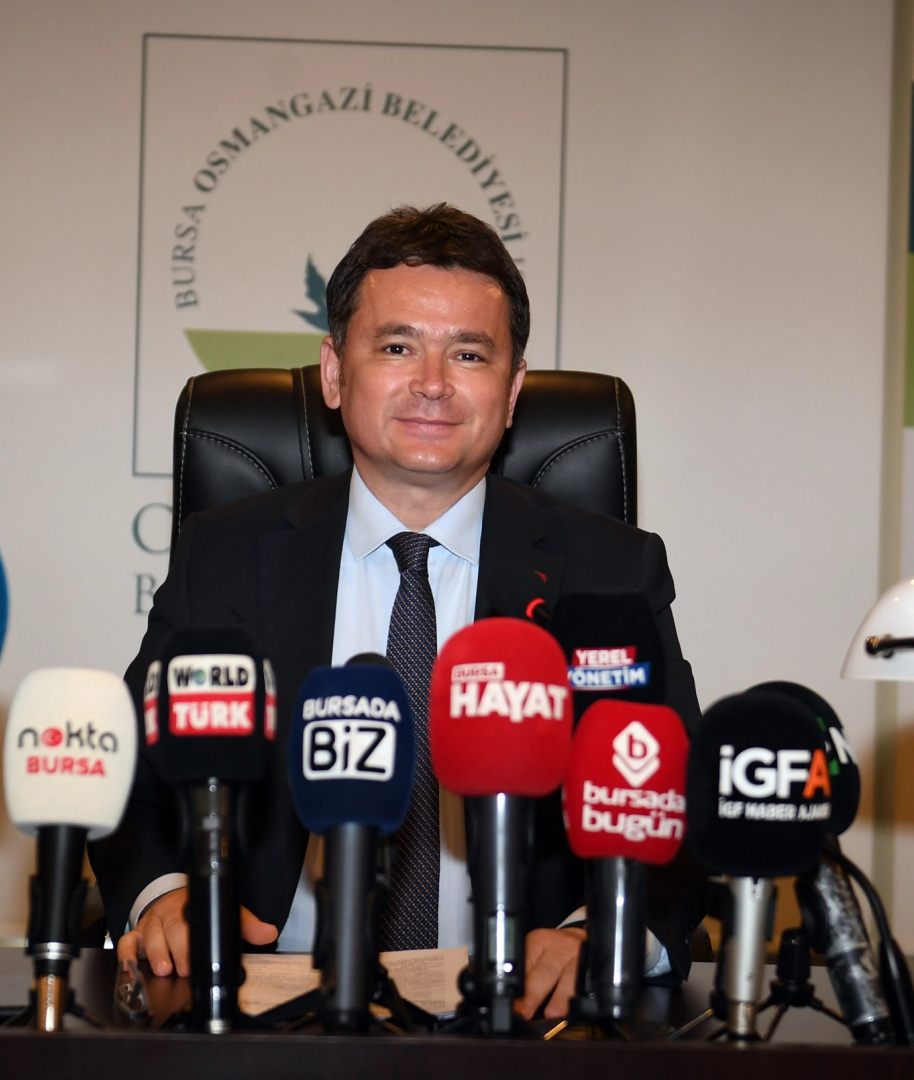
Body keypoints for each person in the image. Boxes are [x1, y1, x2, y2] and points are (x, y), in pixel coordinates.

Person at [90, 204, 703, 1021]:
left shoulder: (610, 572)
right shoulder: (227, 553)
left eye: (470, 354)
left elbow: (672, 802)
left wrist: (602, 931)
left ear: (513, 391)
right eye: (396, 346)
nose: (433, 383)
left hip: (522, 1021)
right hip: (267, 1012)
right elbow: (132, 773)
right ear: (334, 372)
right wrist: (166, 894)